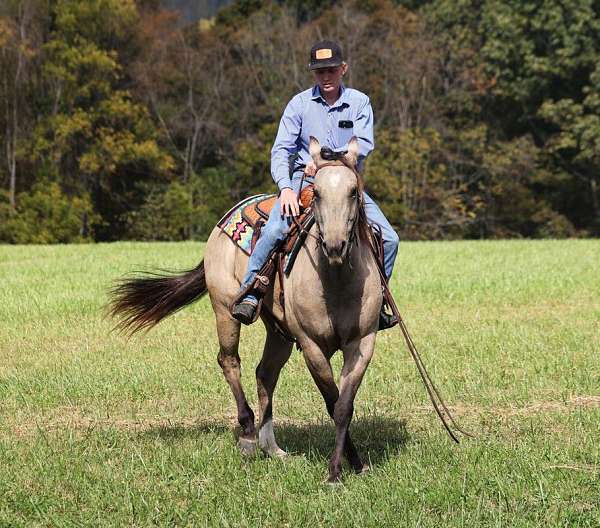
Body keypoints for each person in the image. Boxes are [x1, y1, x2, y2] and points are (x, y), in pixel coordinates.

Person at [231, 40, 400, 329]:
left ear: (343, 69)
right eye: (319, 71)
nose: (326, 77)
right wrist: (285, 187)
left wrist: (325, 159)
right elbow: (281, 149)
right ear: (313, 73)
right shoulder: (299, 104)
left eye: (332, 70)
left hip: (346, 181)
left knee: (390, 238)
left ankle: (379, 300)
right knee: (275, 229)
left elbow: (363, 144)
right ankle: (250, 292)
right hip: (304, 179)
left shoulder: (360, 103)